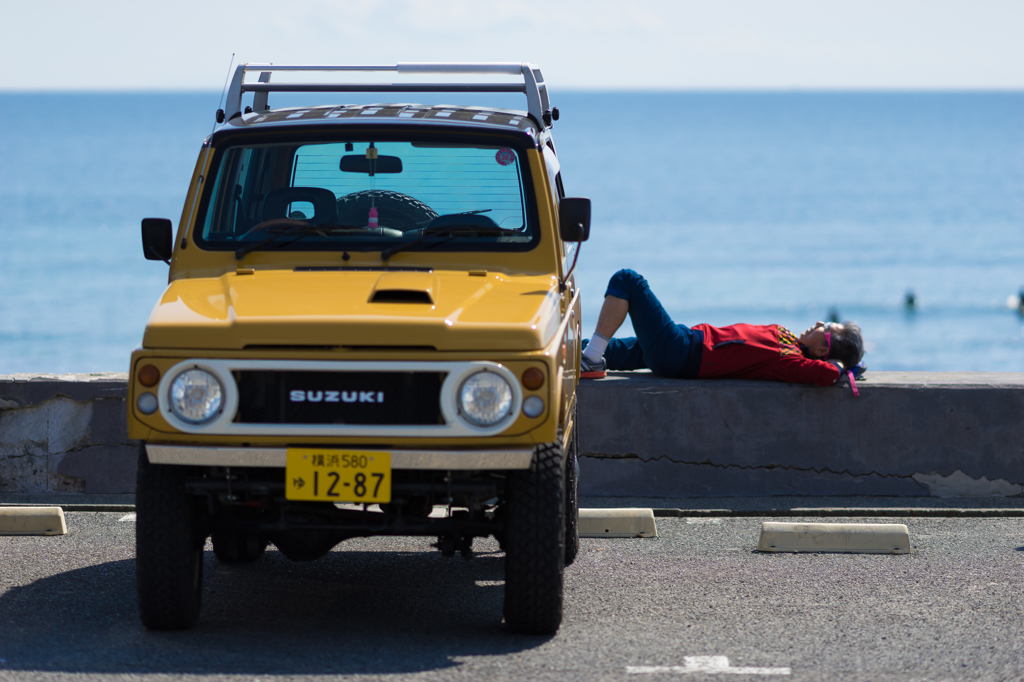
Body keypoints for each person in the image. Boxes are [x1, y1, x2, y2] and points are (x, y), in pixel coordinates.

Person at [581, 269, 864, 389]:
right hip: (685, 342)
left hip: (681, 353)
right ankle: (584, 356)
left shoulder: (791, 361)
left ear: (822, 350)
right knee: (598, 350)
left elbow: (828, 374)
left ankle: (592, 360)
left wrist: (846, 367)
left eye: (826, 327)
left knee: (628, 280)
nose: (819, 323)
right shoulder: (789, 340)